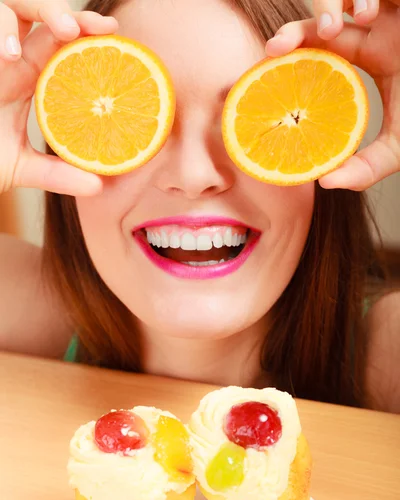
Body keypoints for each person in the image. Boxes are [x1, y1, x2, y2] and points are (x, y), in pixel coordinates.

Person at [0, 0, 399, 413]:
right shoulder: (29, 308)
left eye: (253, 122)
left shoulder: (386, 354)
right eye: (141, 120)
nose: (194, 176)